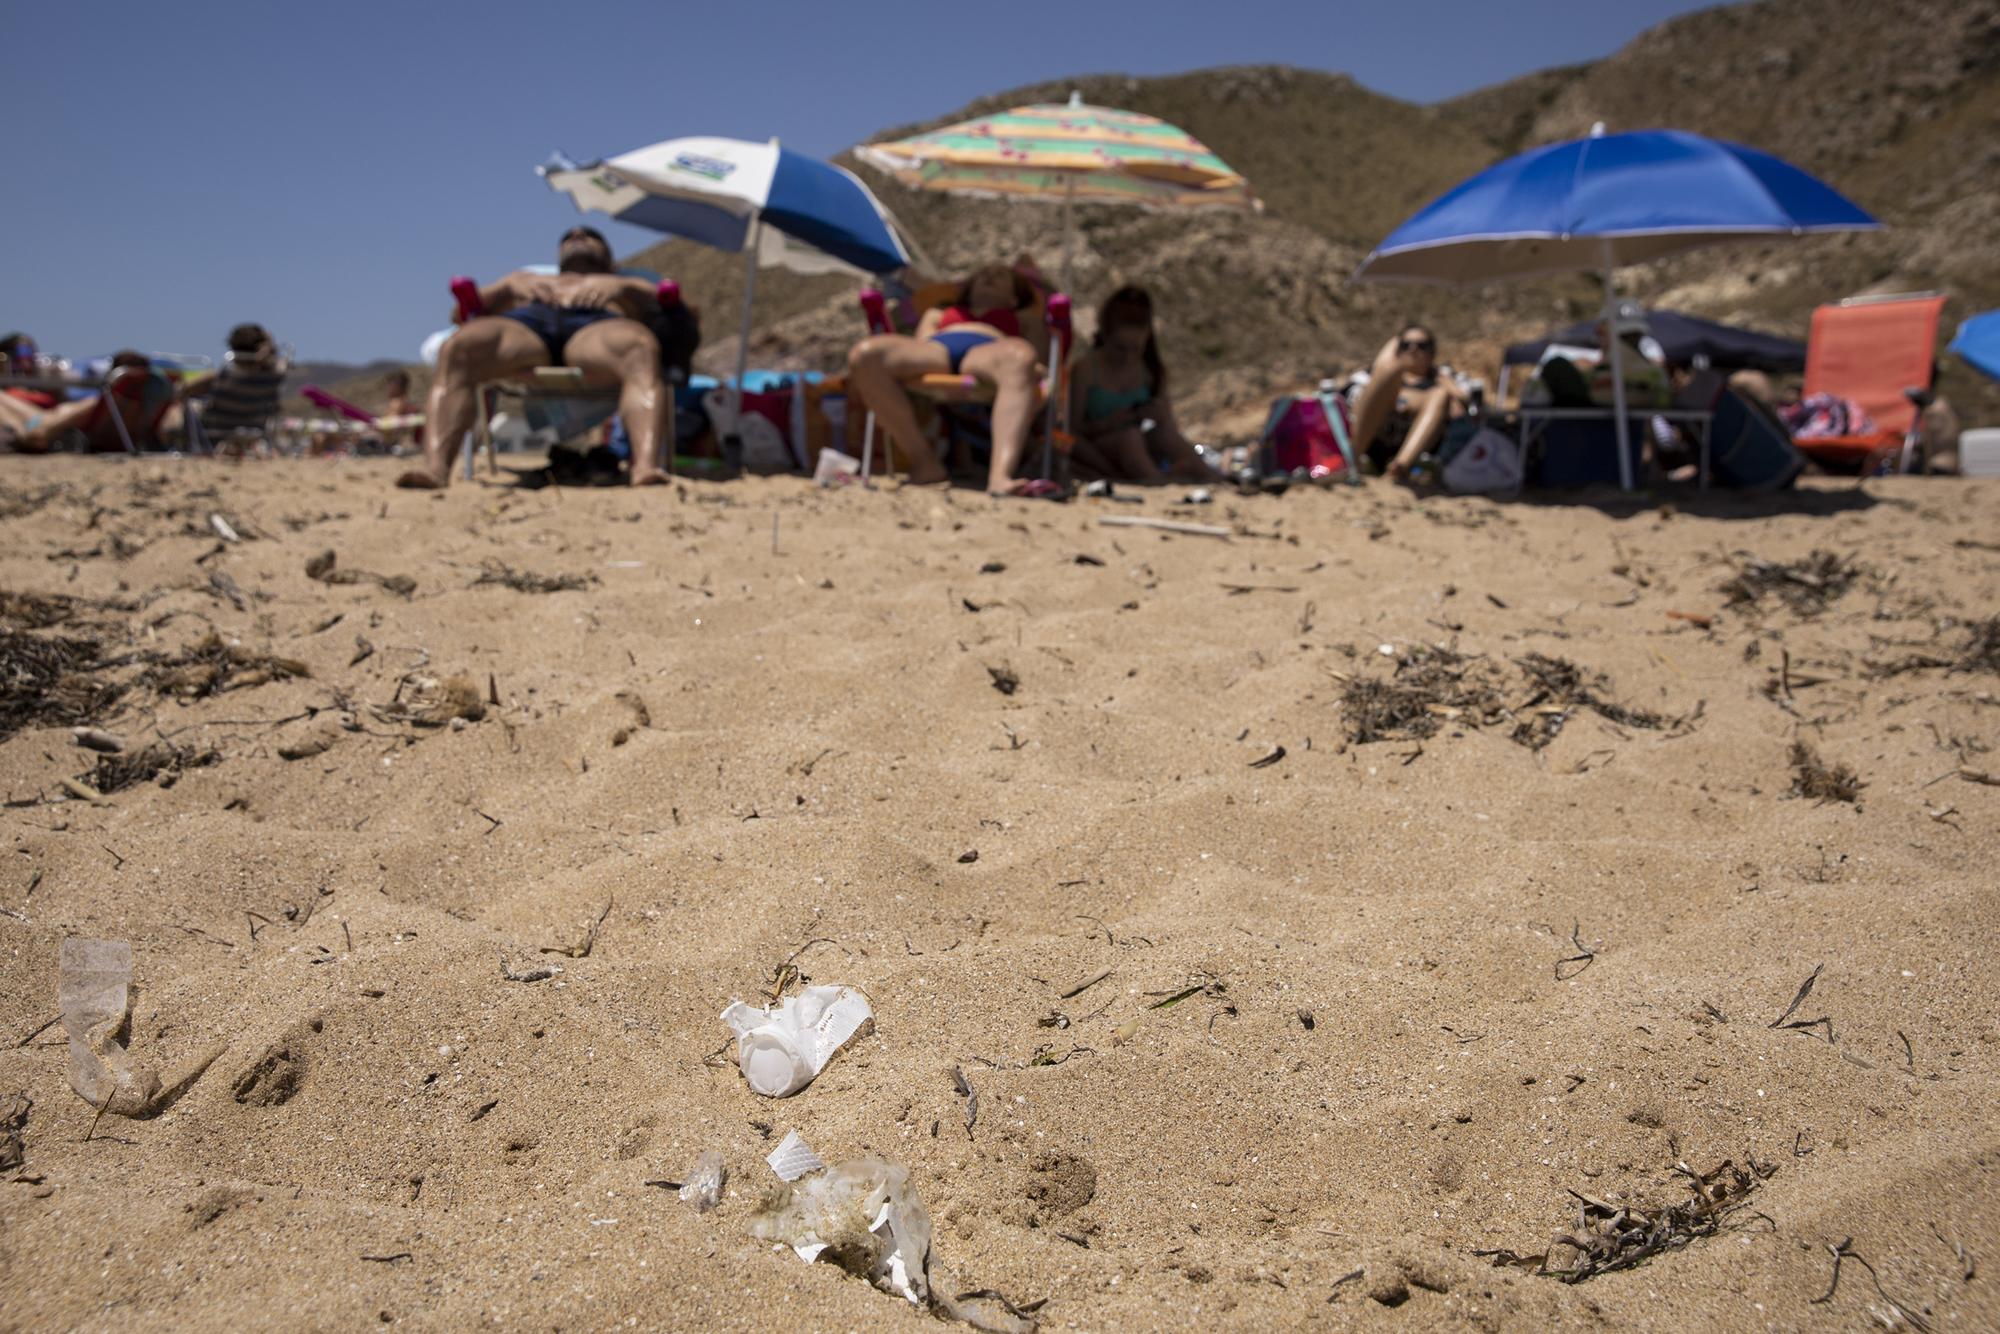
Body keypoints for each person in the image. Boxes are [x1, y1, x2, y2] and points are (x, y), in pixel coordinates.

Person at [398, 226, 673, 488]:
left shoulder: (626, 281)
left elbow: (678, 309)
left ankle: (645, 467)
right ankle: (435, 468)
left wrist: (622, 290)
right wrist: (510, 291)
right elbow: (458, 315)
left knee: (640, 347)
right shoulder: (523, 278)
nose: (578, 235)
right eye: (569, 236)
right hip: (528, 325)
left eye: (590, 235)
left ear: (610, 258)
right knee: (460, 347)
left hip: (596, 326)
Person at [845, 263, 1049, 495]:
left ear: (1014, 298)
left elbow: (1040, 357)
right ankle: (924, 461)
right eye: (982, 274)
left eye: (1000, 275)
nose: (989, 276)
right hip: (938, 350)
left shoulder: (1025, 319)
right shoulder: (937, 313)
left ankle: (1000, 475)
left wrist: (1033, 365)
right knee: (866, 355)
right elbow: (921, 343)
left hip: (991, 352)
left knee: (1021, 355)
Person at [1066, 287, 1214, 484]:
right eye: (1120, 349)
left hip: (1143, 447)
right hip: (1100, 449)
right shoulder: (1086, 369)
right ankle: (1157, 481)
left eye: (1135, 350)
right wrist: (1110, 424)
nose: (1127, 358)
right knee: (1129, 436)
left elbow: (1168, 426)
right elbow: (1071, 431)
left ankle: (1209, 476)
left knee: (1162, 432)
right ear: (1106, 336)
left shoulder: (1151, 370)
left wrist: (1156, 415)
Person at [1347, 323, 1468, 480]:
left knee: (1440, 394)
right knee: (1388, 371)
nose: (1413, 349)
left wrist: (1449, 387)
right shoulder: (1374, 374)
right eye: (1405, 345)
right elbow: (1353, 403)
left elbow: (1467, 403)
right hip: (1371, 441)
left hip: (1420, 450)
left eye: (1421, 346)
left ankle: (1398, 468)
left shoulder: (1445, 377)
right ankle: (1351, 458)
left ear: (1432, 352)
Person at [1, 350, 170, 452]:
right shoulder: (146, 408)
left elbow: (40, 433)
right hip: (44, 418)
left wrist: (29, 432)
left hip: (34, 425)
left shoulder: (99, 405)